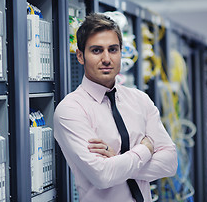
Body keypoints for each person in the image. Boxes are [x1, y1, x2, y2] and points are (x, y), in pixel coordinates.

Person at [54, 13, 177, 202]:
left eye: (113, 49)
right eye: (96, 50)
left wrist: (118, 159)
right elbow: (103, 176)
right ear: (80, 56)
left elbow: (170, 164)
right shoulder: (71, 110)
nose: (106, 59)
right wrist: (145, 149)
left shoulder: (140, 100)